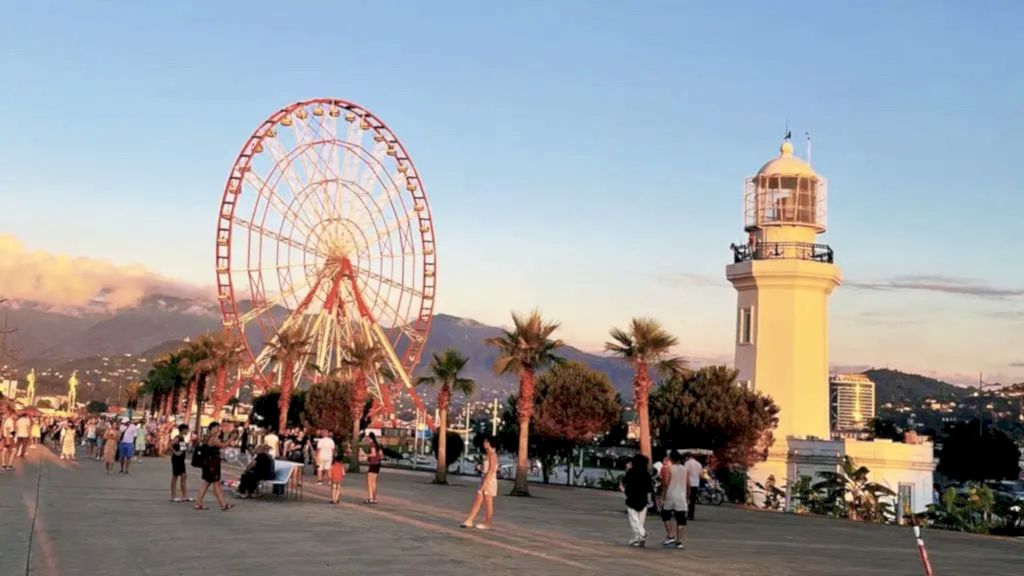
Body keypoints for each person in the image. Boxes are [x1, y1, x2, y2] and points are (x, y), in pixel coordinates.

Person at [461, 434, 499, 530]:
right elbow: (487, 468)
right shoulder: (488, 455)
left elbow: (492, 469)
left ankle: (487, 522)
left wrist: (485, 482)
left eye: (486, 442)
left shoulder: (492, 455)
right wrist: (480, 468)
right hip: (485, 478)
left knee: (488, 502)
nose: (484, 443)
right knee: (478, 500)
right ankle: (469, 520)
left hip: (489, 480)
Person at [194, 421, 233, 511]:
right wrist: (231, 439)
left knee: (207, 483)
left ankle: (199, 503)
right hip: (212, 463)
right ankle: (223, 504)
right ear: (212, 428)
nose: (218, 430)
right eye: (217, 428)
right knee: (214, 483)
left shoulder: (207, 437)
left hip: (208, 463)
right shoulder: (212, 438)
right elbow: (222, 445)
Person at [658, 450, 689, 549]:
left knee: (666, 515)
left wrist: (662, 495)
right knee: (681, 519)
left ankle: (670, 535)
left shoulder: (669, 469)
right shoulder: (685, 469)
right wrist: (688, 496)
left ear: (671, 459)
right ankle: (679, 541)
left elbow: (665, 482)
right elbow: (688, 483)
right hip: (681, 496)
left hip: (670, 495)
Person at [621, 454, 653, 547]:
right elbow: (650, 488)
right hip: (643, 499)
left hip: (632, 498)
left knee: (634, 520)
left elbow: (624, 482)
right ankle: (637, 539)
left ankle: (641, 534)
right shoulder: (647, 474)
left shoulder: (631, 472)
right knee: (640, 521)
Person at [170, 425, 192, 502]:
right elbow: (170, 445)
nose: (187, 431)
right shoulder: (177, 438)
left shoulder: (182, 438)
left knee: (183, 476)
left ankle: (185, 495)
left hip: (181, 459)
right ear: (183, 430)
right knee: (175, 476)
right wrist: (175, 452)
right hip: (176, 459)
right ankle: (173, 495)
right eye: (186, 430)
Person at [684, 453, 704, 520]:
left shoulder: (687, 463)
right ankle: (691, 515)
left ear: (687, 457)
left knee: (686, 499)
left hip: (688, 483)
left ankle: (684, 513)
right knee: (692, 500)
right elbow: (701, 475)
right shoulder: (698, 464)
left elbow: (685, 473)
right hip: (696, 483)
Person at [364, 432, 383, 504]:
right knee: (374, 481)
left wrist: (366, 455)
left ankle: (370, 497)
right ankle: (374, 497)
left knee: (369, 481)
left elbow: (373, 454)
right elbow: (381, 455)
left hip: (373, 463)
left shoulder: (372, 445)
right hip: (378, 464)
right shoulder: (378, 445)